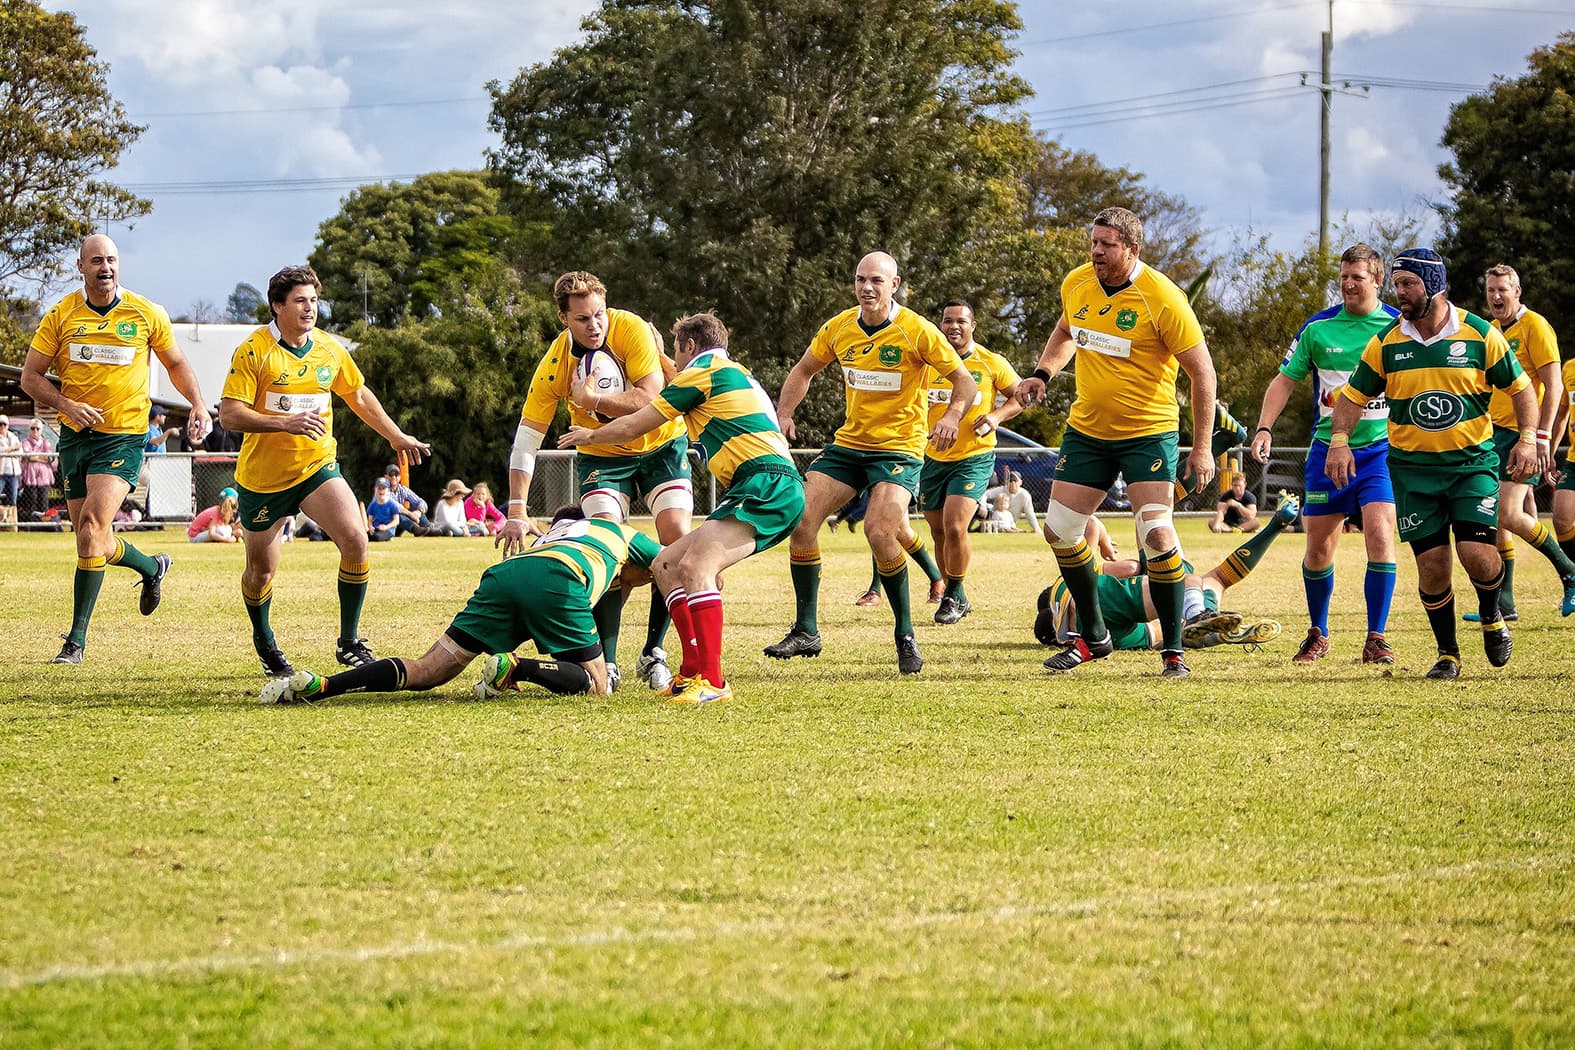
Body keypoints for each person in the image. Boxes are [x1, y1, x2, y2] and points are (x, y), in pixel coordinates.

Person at [1016, 207, 1218, 678]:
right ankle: (1095, 638)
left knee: (1157, 537)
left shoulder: (1163, 298)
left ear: (1132, 249)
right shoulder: (1078, 283)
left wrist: (1203, 447)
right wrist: (1043, 372)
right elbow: (1067, 331)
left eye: (1107, 245)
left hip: (1148, 434)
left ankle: (1173, 652)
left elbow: (1202, 372)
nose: (1096, 252)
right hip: (1088, 431)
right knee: (1060, 532)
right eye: (1094, 243)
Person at [560, 312, 804, 703]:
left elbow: (638, 422)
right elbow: (678, 375)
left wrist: (592, 432)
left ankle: (713, 681)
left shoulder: (701, 373)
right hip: (763, 482)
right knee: (665, 565)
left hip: (766, 482)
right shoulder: (726, 368)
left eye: (675, 351)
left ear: (690, 347)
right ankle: (690, 672)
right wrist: (658, 353)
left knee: (695, 567)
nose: (672, 362)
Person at [1327, 248, 1536, 680]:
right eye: (1397, 284)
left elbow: (1521, 388)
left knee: (1477, 553)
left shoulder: (1479, 334)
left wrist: (1529, 439)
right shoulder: (1386, 342)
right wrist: (1339, 442)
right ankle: (1448, 654)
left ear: (1435, 286)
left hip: (1472, 465)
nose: (1398, 293)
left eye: (1409, 284)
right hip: (1412, 472)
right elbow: (1352, 397)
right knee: (1433, 566)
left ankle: (1492, 612)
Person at [765, 252, 977, 674]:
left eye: (876, 280)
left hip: (899, 449)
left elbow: (964, 380)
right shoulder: (840, 327)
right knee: (800, 518)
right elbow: (804, 370)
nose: (867, 287)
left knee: (880, 530)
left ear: (894, 284)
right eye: (861, 279)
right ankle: (806, 630)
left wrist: (952, 415)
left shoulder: (917, 330)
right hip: (850, 445)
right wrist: (783, 414)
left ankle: (905, 635)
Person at [220, 265, 429, 678]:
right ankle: (265, 642)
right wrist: (284, 423)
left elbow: (358, 395)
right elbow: (229, 414)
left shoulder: (329, 350)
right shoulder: (253, 351)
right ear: (278, 306)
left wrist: (396, 435)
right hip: (263, 480)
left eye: (314, 300)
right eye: (300, 300)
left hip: (316, 467)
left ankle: (349, 643)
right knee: (261, 571)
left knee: (355, 538)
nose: (309, 308)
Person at [21, 234, 212, 664]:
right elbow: (30, 378)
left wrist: (198, 403)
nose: (105, 267)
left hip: (124, 436)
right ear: (81, 267)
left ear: (118, 265)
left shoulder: (146, 312)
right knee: (92, 540)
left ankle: (75, 642)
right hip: (74, 436)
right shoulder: (61, 315)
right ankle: (151, 567)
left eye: (111, 259)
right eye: (96, 261)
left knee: (91, 525)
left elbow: (177, 363)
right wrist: (66, 404)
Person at [500, 271, 692, 692]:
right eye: (583, 318)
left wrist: (593, 402)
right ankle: (608, 660)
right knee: (606, 541)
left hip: (661, 446)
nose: (595, 325)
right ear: (563, 319)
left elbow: (650, 396)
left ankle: (653, 652)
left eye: (600, 314)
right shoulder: (555, 363)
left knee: (676, 540)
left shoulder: (632, 329)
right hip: (602, 455)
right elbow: (527, 439)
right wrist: (516, 509)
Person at [261, 507, 656, 704]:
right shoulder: (614, 530)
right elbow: (671, 563)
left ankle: (323, 686)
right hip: (558, 579)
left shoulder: (553, 535)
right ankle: (515, 667)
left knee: (426, 671)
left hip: (506, 576)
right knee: (596, 685)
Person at [1251, 243, 1401, 665]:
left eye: (1357, 277)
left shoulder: (1397, 327)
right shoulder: (1317, 328)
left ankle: (1377, 637)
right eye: (1344, 277)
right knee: (1319, 548)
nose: (1348, 284)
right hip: (1325, 452)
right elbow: (1284, 381)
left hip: (1379, 452)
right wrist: (1265, 428)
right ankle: (1318, 631)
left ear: (1377, 279)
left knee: (1380, 535)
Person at [1038, 495, 1302, 654]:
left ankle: (1202, 623)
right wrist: (1108, 545)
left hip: (1104, 635)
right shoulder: (1065, 581)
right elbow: (1124, 563)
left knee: (1209, 584)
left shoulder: (1060, 600)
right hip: (1095, 607)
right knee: (1177, 573)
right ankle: (1199, 614)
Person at [1461, 264, 1574, 621]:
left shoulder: (1536, 326)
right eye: (1491, 290)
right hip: (1490, 436)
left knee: (1509, 514)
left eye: (1502, 290)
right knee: (1493, 518)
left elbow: (1554, 386)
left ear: (1517, 291)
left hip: (1520, 436)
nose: (1496, 296)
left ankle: (1570, 571)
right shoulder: (1491, 330)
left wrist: (1542, 438)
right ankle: (1504, 604)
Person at [921, 299, 1024, 625]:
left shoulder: (990, 362)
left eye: (961, 321)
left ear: (972, 325)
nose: (953, 326)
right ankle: (958, 595)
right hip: (931, 458)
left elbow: (1021, 396)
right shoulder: (928, 364)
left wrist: (996, 416)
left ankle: (952, 594)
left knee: (955, 525)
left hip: (973, 457)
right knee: (938, 531)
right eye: (947, 320)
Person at [381, 462, 432, 536]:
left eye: (396, 474)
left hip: (400, 523)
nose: (394, 477)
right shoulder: (382, 490)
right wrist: (411, 515)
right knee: (396, 513)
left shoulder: (403, 489)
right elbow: (396, 507)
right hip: (387, 524)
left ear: (400, 476)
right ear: (385, 476)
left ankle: (429, 529)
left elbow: (421, 502)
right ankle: (416, 529)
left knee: (417, 510)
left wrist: (418, 511)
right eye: (391, 474)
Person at [19, 420, 55, 523]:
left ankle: (44, 523)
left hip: (44, 476)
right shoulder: (25, 442)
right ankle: (32, 523)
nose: (35, 430)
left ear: (41, 430)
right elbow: (28, 456)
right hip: (30, 476)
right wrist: (41, 457)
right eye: (32, 428)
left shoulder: (46, 442)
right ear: (29, 430)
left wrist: (35, 456)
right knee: (32, 500)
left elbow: (49, 458)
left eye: (37, 428)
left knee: (44, 501)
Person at [0, 415, 20, 527]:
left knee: (12, 499)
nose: (2, 427)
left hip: (13, 473)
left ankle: (12, 524)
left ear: (8, 425)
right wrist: (12, 449)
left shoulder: (13, 437)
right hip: (1, 473)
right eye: (0, 424)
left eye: (4, 424)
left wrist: (9, 451)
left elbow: (20, 452)